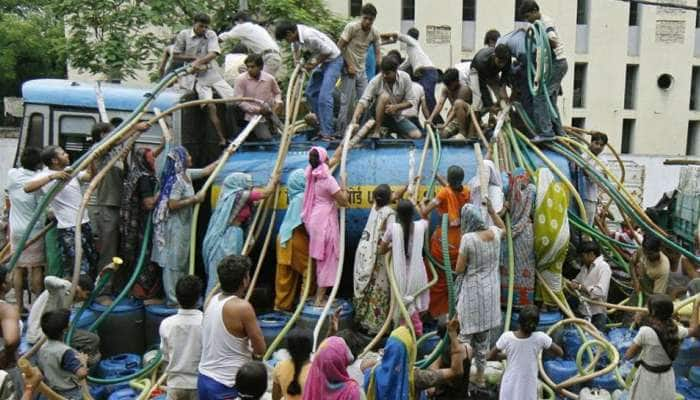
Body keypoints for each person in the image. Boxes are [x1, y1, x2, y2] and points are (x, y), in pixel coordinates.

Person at [151, 146, 220, 306]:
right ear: (181, 159)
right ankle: (173, 299)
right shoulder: (176, 181)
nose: (190, 156)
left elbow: (205, 171)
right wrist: (194, 199)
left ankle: (183, 296)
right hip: (174, 226)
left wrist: (226, 155)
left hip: (184, 224)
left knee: (182, 259)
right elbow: (172, 204)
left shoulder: (186, 174)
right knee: (173, 262)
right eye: (187, 155)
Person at [198, 255, 266, 399]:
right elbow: (260, 349)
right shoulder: (242, 308)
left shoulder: (212, 300)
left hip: (204, 378)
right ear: (244, 280)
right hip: (226, 383)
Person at [24, 146, 96, 279]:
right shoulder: (44, 175)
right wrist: (53, 176)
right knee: (77, 266)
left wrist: (92, 159)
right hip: (69, 227)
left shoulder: (70, 171)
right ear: (55, 161)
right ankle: (74, 295)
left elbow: (89, 176)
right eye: (63, 154)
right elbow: (27, 188)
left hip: (84, 222)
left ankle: (86, 294)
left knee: (91, 261)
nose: (67, 155)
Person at [455, 201, 505, 387]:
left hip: (472, 294)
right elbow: (503, 228)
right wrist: (492, 211)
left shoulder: (468, 239)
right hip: (491, 292)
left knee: (465, 338)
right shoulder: (495, 233)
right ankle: (480, 376)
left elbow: (459, 269)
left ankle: (462, 376)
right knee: (483, 340)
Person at [202, 171, 278, 296]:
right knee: (225, 271)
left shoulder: (237, 197)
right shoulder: (237, 195)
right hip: (227, 238)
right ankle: (214, 301)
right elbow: (266, 193)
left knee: (234, 272)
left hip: (235, 235)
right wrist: (273, 179)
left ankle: (229, 299)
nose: (249, 185)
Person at [364, 321, 469, 399]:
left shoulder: (374, 372)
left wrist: (383, 359)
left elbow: (363, 365)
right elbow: (456, 371)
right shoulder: (416, 377)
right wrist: (452, 336)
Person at [275, 21, 343, 141]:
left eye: (286, 38)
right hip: (323, 62)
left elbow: (327, 51)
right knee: (310, 93)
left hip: (333, 60)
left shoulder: (308, 36)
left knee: (324, 96)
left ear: (290, 33)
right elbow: (295, 47)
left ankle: (328, 132)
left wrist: (313, 64)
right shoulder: (296, 36)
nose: (287, 41)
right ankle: (324, 127)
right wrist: (297, 62)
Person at [173, 13, 233, 146]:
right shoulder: (184, 35)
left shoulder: (210, 34)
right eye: (201, 26)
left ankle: (234, 132)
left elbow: (214, 53)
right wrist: (193, 60)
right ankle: (221, 138)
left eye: (205, 27)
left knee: (233, 99)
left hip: (211, 73)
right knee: (209, 105)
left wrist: (200, 61)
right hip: (193, 77)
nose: (203, 30)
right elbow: (176, 55)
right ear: (194, 23)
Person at [624, 295, 698, 400]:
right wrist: (696, 307)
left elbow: (629, 355)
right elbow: (693, 330)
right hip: (666, 377)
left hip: (648, 378)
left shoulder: (645, 331)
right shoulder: (676, 330)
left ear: (653, 312)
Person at [119, 140, 167, 299]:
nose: (154, 159)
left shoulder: (135, 171)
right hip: (143, 224)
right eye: (151, 158)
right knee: (145, 256)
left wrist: (163, 144)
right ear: (144, 161)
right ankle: (142, 290)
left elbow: (150, 155)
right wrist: (164, 190)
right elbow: (148, 203)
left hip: (132, 224)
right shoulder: (145, 178)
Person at [301, 147, 349, 306]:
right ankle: (319, 299)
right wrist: (344, 186)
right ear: (324, 160)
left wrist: (343, 147)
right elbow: (344, 201)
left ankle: (320, 295)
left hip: (314, 220)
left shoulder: (311, 173)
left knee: (320, 259)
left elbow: (332, 159)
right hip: (325, 222)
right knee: (327, 259)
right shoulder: (328, 179)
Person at [421, 166, 470, 319]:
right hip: (461, 241)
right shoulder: (466, 191)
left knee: (436, 277)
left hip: (444, 243)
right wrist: (440, 179)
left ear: (449, 180)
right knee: (454, 278)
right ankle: (455, 311)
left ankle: (437, 313)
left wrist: (422, 203)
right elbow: (452, 192)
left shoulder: (443, 193)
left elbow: (425, 211)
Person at [488, 305, 564, 400]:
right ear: (536, 324)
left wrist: (507, 356)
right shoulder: (541, 338)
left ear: (519, 322)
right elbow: (560, 352)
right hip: (528, 386)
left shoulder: (507, 337)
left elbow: (490, 357)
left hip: (510, 384)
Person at [378, 199, 430, 336]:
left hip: (399, 277)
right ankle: (416, 335)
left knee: (401, 307)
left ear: (397, 214)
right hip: (417, 276)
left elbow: (382, 250)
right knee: (416, 307)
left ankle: (401, 335)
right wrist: (420, 205)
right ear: (412, 213)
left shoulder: (392, 229)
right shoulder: (421, 226)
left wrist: (393, 245)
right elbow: (426, 218)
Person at [26, 275, 100, 365]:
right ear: (78, 287)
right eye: (86, 294)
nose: (85, 298)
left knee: (93, 345)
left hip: (53, 332)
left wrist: (100, 276)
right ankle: (80, 367)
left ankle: (82, 365)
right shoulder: (58, 290)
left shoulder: (70, 296)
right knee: (92, 346)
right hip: (41, 335)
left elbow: (93, 291)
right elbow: (48, 279)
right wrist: (71, 286)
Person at [520, 0, 568, 138]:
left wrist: (543, 39)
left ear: (535, 11)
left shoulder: (545, 23)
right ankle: (559, 132)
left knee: (540, 96)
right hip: (556, 65)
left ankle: (547, 132)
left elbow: (553, 41)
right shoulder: (538, 24)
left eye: (528, 16)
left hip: (556, 64)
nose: (528, 20)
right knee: (551, 100)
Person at [354, 185, 398, 335]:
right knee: (381, 288)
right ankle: (377, 327)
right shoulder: (390, 213)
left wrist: (405, 187)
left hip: (367, 254)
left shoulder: (376, 207)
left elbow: (391, 197)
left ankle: (363, 321)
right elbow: (391, 234)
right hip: (381, 255)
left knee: (369, 287)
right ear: (388, 198)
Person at [88, 122, 130, 275]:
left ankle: (113, 283)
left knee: (117, 247)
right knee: (108, 250)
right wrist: (133, 130)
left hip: (117, 204)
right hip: (107, 205)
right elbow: (108, 145)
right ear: (102, 135)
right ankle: (103, 289)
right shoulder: (98, 150)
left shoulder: (114, 155)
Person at [7, 147, 45, 312]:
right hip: (34, 229)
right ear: (38, 164)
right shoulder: (40, 181)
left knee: (18, 268)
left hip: (16, 229)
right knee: (36, 267)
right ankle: (37, 306)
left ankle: (19, 305)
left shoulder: (12, 175)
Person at [336, 3, 381, 134]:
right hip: (348, 70)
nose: (367, 22)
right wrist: (348, 65)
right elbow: (339, 47)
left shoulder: (374, 32)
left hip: (362, 71)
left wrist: (381, 68)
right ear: (361, 16)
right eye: (365, 18)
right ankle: (342, 132)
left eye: (370, 20)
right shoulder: (352, 27)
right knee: (347, 103)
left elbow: (378, 52)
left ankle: (362, 131)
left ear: (374, 20)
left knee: (366, 100)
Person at [351, 57, 421, 139]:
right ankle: (377, 131)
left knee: (416, 135)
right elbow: (363, 101)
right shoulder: (376, 81)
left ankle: (388, 133)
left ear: (395, 71)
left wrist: (396, 107)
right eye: (383, 73)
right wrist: (354, 119)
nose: (384, 76)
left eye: (387, 73)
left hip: (396, 116)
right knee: (384, 96)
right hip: (375, 117)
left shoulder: (405, 78)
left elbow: (411, 102)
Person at [159, 276, 203, 400]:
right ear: (199, 299)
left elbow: (165, 356)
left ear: (177, 298)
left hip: (175, 385)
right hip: (198, 385)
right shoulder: (206, 322)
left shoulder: (166, 324)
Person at [380, 28, 439, 118]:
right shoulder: (412, 49)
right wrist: (394, 69)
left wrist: (380, 35)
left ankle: (436, 120)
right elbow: (406, 64)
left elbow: (398, 35)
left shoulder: (413, 42)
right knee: (421, 98)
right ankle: (432, 120)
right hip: (424, 75)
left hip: (428, 72)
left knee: (428, 97)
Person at [275, 170, 312, 311]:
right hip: (295, 237)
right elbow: (305, 223)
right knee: (309, 270)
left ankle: (281, 307)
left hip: (283, 237)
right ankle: (305, 305)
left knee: (285, 276)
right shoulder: (303, 197)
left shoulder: (294, 196)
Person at [533, 167, 569, 307]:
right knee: (554, 275)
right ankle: (555, 307)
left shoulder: (538, 191)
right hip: (562, 237)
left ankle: (554, 307)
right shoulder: (561, 190)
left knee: (544, 275)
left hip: (545, 240)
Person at [501, 168, 537, 308]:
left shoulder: (509, 191)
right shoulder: (532, 190)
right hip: (526, 232)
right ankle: (524, 303)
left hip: (511, 233)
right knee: (525, 268)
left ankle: (507, 302)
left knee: (509, 267)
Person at [36, 309, 88, 400]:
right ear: (65, 329)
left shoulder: (42, 348)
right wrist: (83, 362)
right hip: (69, 393)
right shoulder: (65, 352)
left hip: (52, 391)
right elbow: (81, 373)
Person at [233, 54, 283, 141]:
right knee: (266, 139)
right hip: (253, 115)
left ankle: (279, 130)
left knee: (284, 132)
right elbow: (239, 101)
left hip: (270, 112)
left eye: (252, 67)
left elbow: (277, 93)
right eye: (248, 67)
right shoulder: (241, 79)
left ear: (261, 67)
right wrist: (258, 110)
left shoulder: (269, 78)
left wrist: (278, 102)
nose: (249, 69)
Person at [219, 11, 282, 77]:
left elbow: (225, 36)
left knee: (262, 82)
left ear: (240, 20)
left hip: (269, 57)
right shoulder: (257, 28)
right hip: (271, 56)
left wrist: (212, 41)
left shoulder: (243, 26)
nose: (235, 27)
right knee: (245, 70)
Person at [567, 241, 611, 332]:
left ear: (591, 254)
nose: (581, 259)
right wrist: (573, 284)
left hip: (597, 313)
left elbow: (600, 292)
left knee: (596, 341)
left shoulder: (603, 267)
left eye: (582, 256)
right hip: (583, 311)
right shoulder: (585, 267)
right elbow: (577, 280)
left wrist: (580, 287)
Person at [427, 68, 473, 140]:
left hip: (467, 117)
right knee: (441, 136)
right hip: (455, 117)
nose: (448, 86)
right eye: (446, 84)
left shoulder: (464, 90)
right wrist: (430, 118)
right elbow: (440, 104)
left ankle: (462, 133)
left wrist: (445, 124)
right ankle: (455, 132)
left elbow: (456, 108)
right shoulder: (446, 89)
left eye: (449, 84)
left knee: (458, 103)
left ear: (456, 81)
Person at [468, 44, 511, 112]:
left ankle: (500, 117)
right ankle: (475, 118)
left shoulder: (507, 58)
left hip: (492, 71)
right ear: (494, 56)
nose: (502, 65)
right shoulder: (481, 62)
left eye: (504, 62)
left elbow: (505, 72)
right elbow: (482, 87)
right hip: (476, 70)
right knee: (478, 99)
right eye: (500, 62)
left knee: (501, 96)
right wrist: (490, 105)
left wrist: (503, 87)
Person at [272, 328, 312, 400]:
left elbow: (275, 398)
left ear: (288, 349)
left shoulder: (279, 367)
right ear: (311, 349)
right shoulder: (316, 371)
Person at [579, 132, 607, 226]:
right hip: (575, 195)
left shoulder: (603, 162)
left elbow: (596, 178)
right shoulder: (581, 156)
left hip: (589, 197)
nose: (598, 147)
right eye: (596, 143)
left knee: (586, 225)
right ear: (591, 142)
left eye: (601, 145)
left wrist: (586, 171)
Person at [468, 159, 504, 226]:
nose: (484, 175)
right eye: (482, 173)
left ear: (491, 173)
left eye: (486, 172)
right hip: (475, 226)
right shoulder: (474, 185)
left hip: (490, 229)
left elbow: (498, 214)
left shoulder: (495, 190)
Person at [0, 268, 19, 370]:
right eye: (9, 278)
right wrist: (6, 359)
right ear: (3, 285)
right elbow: (11, 340)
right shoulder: (6, 310)